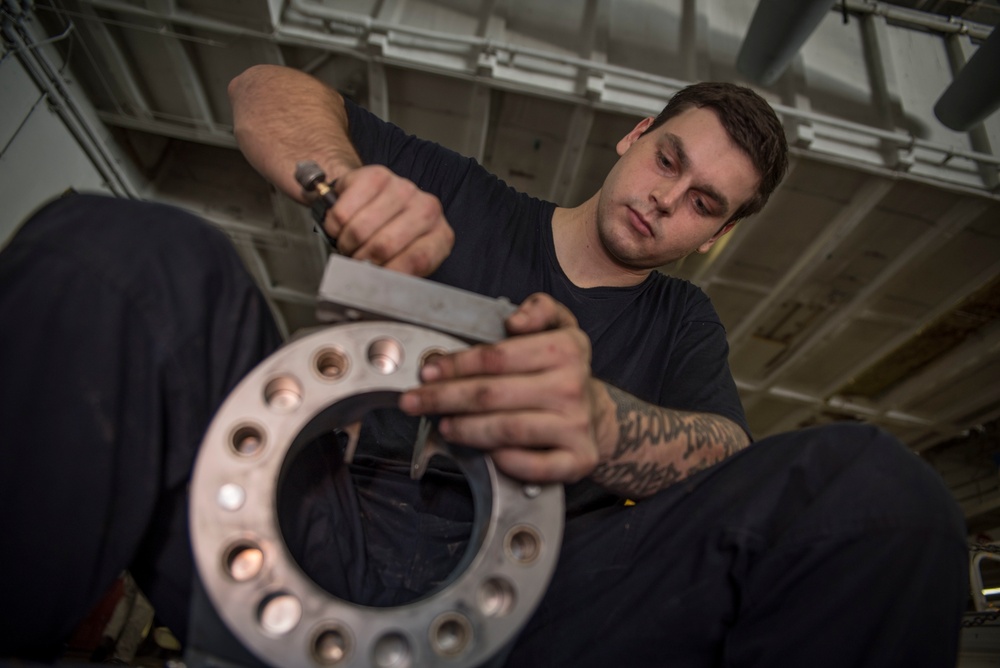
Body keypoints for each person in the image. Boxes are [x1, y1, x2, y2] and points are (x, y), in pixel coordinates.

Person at [0, 63, 967, 667]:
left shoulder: (682, 323)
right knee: (120, 253)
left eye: (706, 204)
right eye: (670, 159)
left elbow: (724, 450)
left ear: (713, 236)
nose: (670, 199)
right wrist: (346, 185)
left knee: (879, 491)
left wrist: (603, 424)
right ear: (634, 136)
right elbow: (265, 88)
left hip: (546, 599)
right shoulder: (466, 196)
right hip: (324, 517)